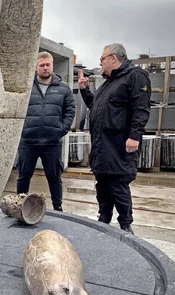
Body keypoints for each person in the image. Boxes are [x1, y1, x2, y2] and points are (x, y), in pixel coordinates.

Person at [78, 43, 151, 234]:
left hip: (119, 143)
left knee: (118, 184)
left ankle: (126, 225)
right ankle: (104, 219)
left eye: (102, 59)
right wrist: (85, 90)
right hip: (102, 145)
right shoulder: (109, 82)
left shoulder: (134, 76)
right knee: (102, 184)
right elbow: (96, 107)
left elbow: (141, 108)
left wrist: (134, 136)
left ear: (113, 58)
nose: (100, 63)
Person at [16, 51, 75, 211]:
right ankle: (20, 207)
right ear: (36, 67)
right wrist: (22, 131)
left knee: (54, 177)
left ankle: (58, 208)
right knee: (23, 176)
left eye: (47, 64)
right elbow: (17, 109)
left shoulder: (63, 88)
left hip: (52, 142)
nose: (45, 68)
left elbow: (70, 110)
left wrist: (60, 130)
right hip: (28, 142)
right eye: (41, 65)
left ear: (52, 65)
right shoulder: (26, 87)